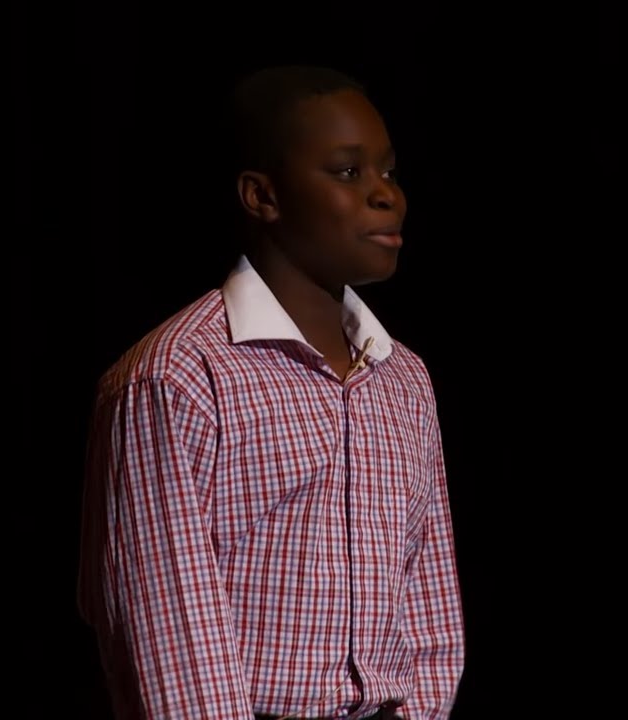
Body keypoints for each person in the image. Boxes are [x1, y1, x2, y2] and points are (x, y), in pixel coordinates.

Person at [78, 65, 465, 720]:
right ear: (262, 195)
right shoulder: (177, 377)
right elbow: (172, 638)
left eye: (389, 172)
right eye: (348, 172)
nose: (386, 196)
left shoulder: (403, 378)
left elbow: (428, 607)